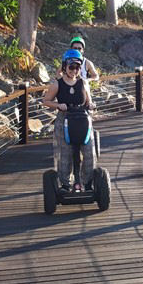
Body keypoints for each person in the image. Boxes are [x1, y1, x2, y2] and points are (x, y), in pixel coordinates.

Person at [42, 49, 97, 191]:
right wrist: (58, 105)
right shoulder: (57, 84)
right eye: (71, 67)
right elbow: (46, 101)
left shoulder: (83, 83)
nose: (74, 70)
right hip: (64, 119)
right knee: (65, 154)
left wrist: (90, 105)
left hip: (82, 118)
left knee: (89, 151)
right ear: (65, 66)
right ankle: (65, 184)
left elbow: (89, 102)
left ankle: (87, 182)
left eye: (77, 67)